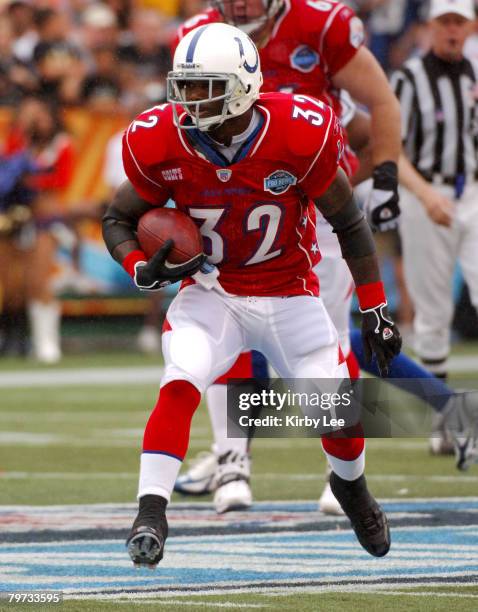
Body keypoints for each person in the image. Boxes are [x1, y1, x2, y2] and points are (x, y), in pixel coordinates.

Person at [102, 22, 402, 567]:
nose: (189, 100)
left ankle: (352, 489)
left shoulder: (298, 131)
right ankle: (150, 510)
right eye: (184, 86)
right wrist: (140, 266)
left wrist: (375, 306)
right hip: (212, 291)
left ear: (241, 85)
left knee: (338, 411)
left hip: (290, 293)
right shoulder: (159, 139)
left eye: (203, 87)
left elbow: (350, 224)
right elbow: (117, 218)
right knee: (180, 379)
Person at [172, 0, 402, 514]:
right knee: (219, 327)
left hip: (310, 206)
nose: (242, 4)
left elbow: (379, 104)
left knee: (331, 337)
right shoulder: (196, 34)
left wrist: (381, 176)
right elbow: (178, 126)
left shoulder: (322, 24)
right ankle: (231, 459)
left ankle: (340, 471)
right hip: (234, 204)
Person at [392, 0, 478, 380]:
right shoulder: (407, 79)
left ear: (471, 27)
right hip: (424, 195)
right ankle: (443, 418)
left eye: (459, 22)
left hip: (473, 193)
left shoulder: (474, 74)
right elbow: (390, 150)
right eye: (445, 21)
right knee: (433, 312)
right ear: (429, 26)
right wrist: (426, 195)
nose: (452, 30)